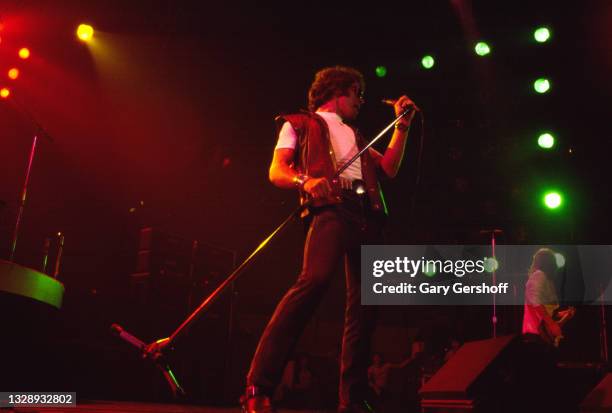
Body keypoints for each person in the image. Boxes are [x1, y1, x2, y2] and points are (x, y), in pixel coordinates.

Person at [242, 66, 417, 413]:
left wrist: (402, 126)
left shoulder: (356, 135)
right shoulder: (298, 123)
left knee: (365, 307)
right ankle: (258, 385)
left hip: (367, 215)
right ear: (338, 92)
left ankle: (352, 399)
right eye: (358, 94)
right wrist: (304, 181)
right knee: (314, 281)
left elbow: (390, 169)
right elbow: (277, 170)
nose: (361, 101)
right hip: (332, 209)